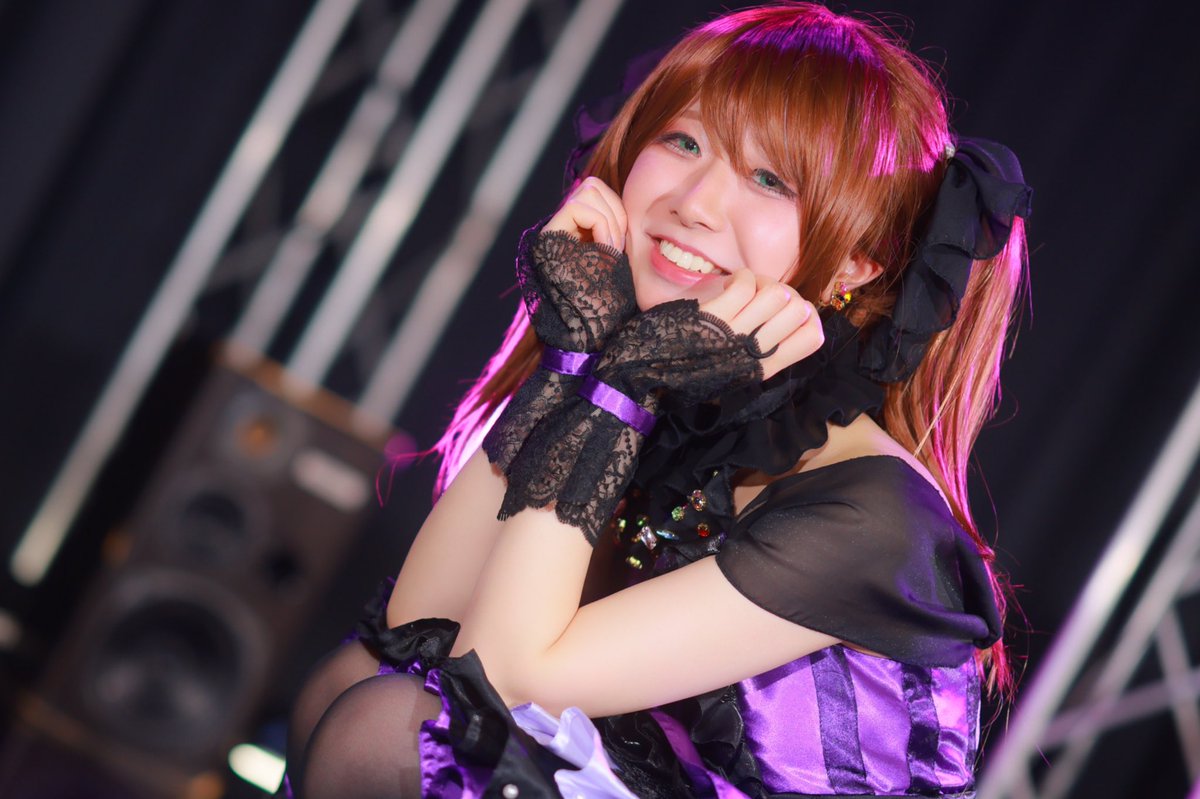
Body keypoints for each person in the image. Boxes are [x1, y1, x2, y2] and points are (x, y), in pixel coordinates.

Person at [285, 3, 1032, 797]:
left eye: (769, 181)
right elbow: (414, 631)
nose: (695, 201)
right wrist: (574, 356)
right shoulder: (675, 404)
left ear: (857, 262)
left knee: (388, 728)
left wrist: (620, 384)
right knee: (350, 683)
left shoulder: (873, 516)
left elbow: (500, 682)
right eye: (684, 142)